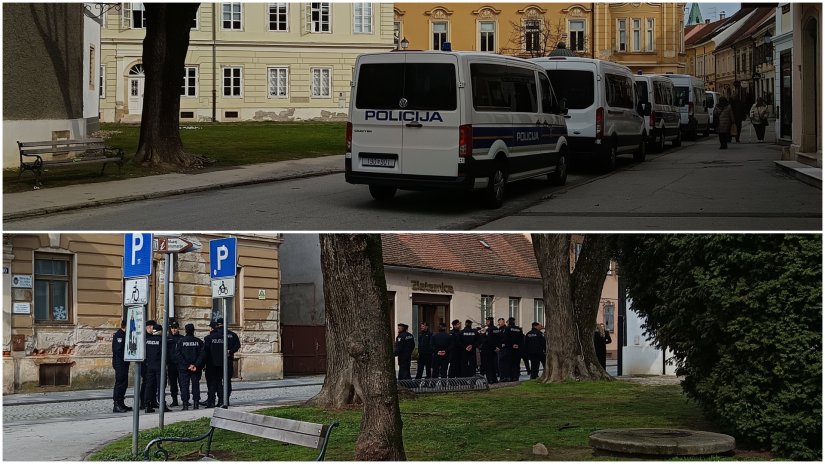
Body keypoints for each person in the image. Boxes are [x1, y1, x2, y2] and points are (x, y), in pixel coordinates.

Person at [199, 318, 241, 408]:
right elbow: (237, 345)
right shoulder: (230, 335)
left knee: (213, 382)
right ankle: (224, 400)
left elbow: (206, 351)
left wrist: (201, 364)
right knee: (224, 381)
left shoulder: (213, 336)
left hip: (213, 362)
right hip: (226, 361)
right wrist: (230, 352)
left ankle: (211, 400)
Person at [175, 323, 204, 411]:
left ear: (185, 330)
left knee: (184, 386)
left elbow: (178, 355)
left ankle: (185, 405)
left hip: (184, 368)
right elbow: (202, 355)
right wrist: (195, 365)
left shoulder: (181, 341)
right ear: (193, 330)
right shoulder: (198, 341)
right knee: (195, 385)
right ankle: (196, 404)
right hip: (195, 368)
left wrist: (187, 365)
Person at [111, 320, 132, 413]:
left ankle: (121, 403)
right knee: (120, 383)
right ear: (125, 326)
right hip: (119, 363)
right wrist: (127, 356)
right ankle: (116, 404)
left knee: (124, 383)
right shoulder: (119, 335)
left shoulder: (124, 335)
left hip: (124, 363)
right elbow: (118, 351)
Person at [143, 324, 164, 413]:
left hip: (149, 366)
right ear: (160, 331)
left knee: (149, 386)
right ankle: (162, 404)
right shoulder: (162, 341)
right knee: (161, 386)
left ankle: (147, 405)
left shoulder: (147, 340)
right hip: (159, 366)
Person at [198, 321, 218, 408]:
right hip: (221, 365)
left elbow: (204, 353)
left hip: (211, 364)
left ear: (211, 328)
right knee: (219, 383)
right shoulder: (222, 337)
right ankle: (221, 401)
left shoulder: (208, 338)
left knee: (210, 384)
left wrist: (200, 365)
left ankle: (211, 401)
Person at [139, 319, 156, 409]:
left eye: (151, 327)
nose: (150, 329)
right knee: (146, 383)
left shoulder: (154, 337)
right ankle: (143, 402)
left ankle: (153, 401)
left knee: (153, 383)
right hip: (144, 364)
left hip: (153, 364)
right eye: (148, 327)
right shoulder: (143, 337)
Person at [166, 320, 182, 407]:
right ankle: (174, 400)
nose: (174, 330)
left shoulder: (182, 338)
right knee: (173, 384)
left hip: (180, 365)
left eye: (175, 328)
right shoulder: (167, 338)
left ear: (178, 328)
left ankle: (184, 399)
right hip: (171, 364)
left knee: (182, 383)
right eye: (172, 328)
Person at [480, 317, 500, 384]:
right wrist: (498, 347)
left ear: (490, 321)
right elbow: (499, 338)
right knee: (494, 365)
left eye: (487, 321)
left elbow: (489, 340)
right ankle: (495, 379)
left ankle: (490, 379)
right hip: (495, 350)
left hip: (489, 350)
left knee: (488, 366)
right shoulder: (497, 329)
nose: (486, 323)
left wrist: (483, 335)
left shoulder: (489, 330)